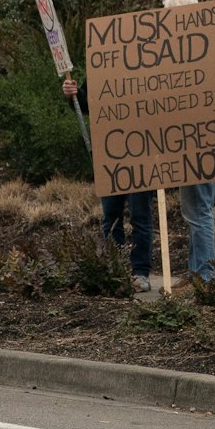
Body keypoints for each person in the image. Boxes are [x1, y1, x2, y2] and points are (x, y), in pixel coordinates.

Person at [61, 71, 154, 292]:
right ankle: (116, 271)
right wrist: (73, 94)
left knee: (140, 216)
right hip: (110, 155)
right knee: (110, 217)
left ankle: (140, 273)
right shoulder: (103, 64)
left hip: (142, 153)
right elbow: (87, 104)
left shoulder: (147, 66)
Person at [162, 0, 215, 285]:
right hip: (192, 139)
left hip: (199, 139)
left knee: (199, 209)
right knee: (193, 208)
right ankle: (196, 270)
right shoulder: (204, 47)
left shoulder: (201, 51)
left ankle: (204, 276)